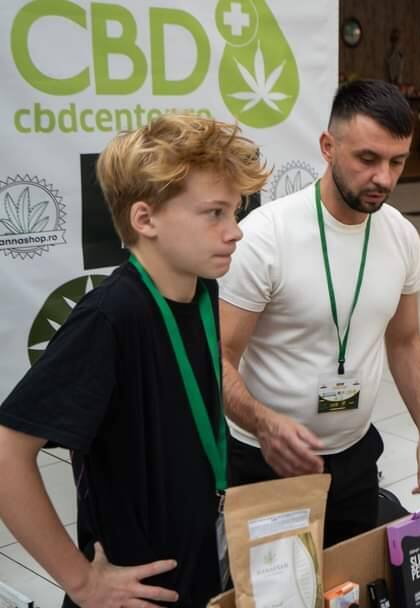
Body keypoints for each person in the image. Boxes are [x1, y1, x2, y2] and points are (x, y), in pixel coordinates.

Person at [0, 114, 268, 607]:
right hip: (137, 587)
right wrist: (81, 582)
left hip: (196, 563)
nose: (235, 232)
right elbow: (6, 454)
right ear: (145, 220)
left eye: (235, 212)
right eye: (214, 213)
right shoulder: (110, 317)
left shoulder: (203, 292)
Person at [220, 79, 420, 548]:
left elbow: (405, 341)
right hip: (267, 461)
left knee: (347, 578)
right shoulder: (266, 236)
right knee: (276, 586)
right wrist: (264, 424)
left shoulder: (402, 236)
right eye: (367, 158)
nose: (384, 178)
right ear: (328, 146)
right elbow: (215, 357)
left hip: (355, 455)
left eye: (397, 162)